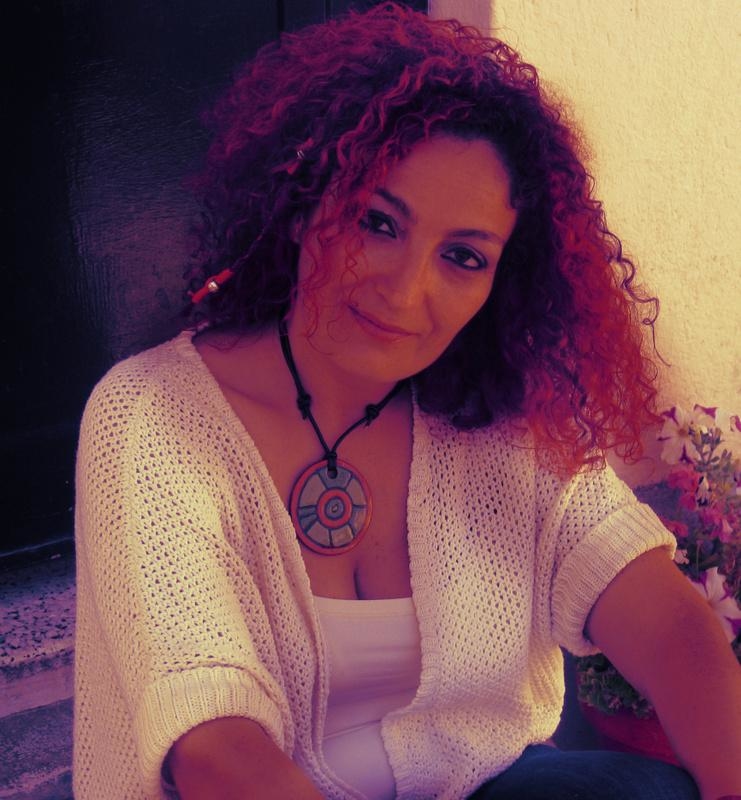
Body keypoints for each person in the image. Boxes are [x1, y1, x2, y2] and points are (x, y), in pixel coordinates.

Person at [72, 4, 741, 799]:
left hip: (473, 781)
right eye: (377, 222)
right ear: (303, 201)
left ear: (502, 281)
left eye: (463, 256)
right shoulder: (151, 416)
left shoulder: (500, 414)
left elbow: (668, 623)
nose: (404, 289)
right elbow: (216, 753)